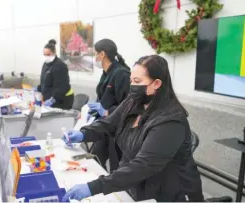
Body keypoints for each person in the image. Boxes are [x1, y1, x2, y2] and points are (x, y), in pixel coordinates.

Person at [62, 55, 204, 202]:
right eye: (131, 81)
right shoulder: (134, 101)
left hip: (165, 194)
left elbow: (143, 166)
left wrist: (94, 187)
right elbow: (109, 124)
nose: (132, 86)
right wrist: (83, 133)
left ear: (156, 83)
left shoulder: (171, 122)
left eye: (137, 81)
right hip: (134, 186)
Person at [88, 39, 130, 170]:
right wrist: (90, 111)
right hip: (105, 125)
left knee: (115, 168)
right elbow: (102, 97)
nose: (94, 58)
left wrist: (108, 112)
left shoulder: (121, 74)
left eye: (95, 54)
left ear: (102, 54)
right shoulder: (106, 72)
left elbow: (130, 105)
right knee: (93, 159)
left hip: (118, 130)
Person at [37, 39, 74, 110]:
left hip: (62, 101)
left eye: (48, 54)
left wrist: (52, 100)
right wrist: (38, 88)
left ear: (54, 53)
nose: (46, 57)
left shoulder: (60, 66)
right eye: (44, 54)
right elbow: (45, 81)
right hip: (49, 99)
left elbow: (62, 87)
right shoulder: (45, 64)